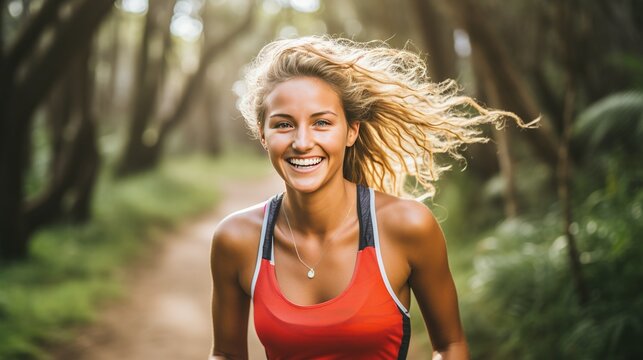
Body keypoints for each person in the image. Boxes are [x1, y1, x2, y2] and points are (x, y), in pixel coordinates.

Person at [209, 36, 525, 360]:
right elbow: (226, 354)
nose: (302, 142)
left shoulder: (407, 227)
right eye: (283, 125)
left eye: (321, 123)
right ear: (263, 135)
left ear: (351, 131)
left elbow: (449, 345)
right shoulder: (237, 239)